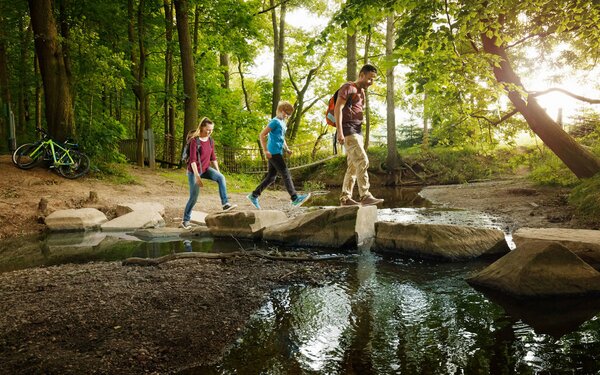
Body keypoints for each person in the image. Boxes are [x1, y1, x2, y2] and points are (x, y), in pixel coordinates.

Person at [335, 64, 384, 206]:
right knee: (362, 160)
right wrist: (340, 132)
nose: (371, 82)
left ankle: (345, 198)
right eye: (369, 79)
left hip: (357, 130)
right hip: (348, 130)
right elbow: (338, 108)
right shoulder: (348, 87)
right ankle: (365, 195)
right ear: (361, 75)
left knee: (353, 166)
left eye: (373, 80)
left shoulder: (361, 92)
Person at [247, 101, 311, 209]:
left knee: (271, 177)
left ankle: (254, 195)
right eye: (287, 113)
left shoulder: (283, 123)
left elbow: (282, 137)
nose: (287, 116)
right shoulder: (274, 122)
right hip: (273, 152)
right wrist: (265, 150)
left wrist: (287, 149)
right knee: (285, 173)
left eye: (289, 115)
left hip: (278, 151)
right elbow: (262, 135)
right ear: (281, 111)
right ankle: (295, 198)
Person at [181, 117, 237, 229]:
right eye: (208, 129)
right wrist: (197, 176)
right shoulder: (194, 141)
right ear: (202, 127)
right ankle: (185, 220)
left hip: (206, 169)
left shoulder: (211, 140)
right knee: (194, 197)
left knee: (221, 178)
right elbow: (192, 160)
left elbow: (213, 157)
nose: (210, 132)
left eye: (211, 129)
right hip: (194, 171)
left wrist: (218, 172)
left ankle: (225, 204)